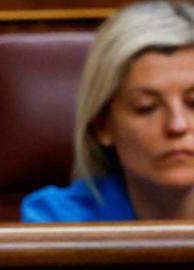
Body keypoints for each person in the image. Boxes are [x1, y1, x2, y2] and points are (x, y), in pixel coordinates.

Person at [22, 1, 194, 222]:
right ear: (103, 125)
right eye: (146, 107)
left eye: (193, 103)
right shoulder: (54, 221)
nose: (177, 125)